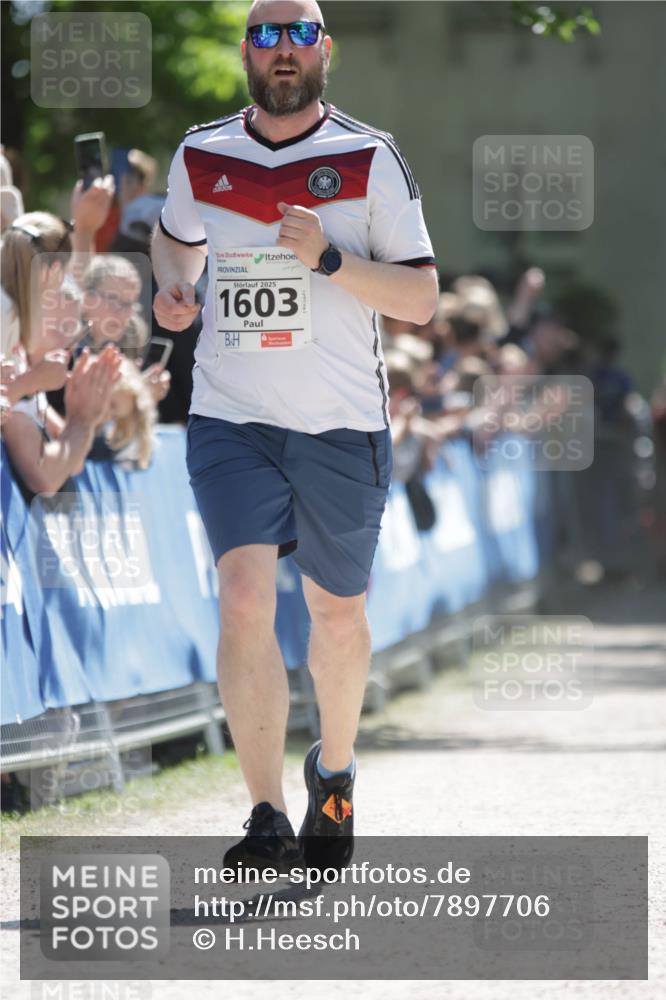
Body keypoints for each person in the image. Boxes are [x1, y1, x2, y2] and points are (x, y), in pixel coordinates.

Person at [152, 0, 438, 876]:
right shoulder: (203, 152)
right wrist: (175, 289)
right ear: (247, 51)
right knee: (243, 597)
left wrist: (330, 261)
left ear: (324, 49)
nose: (285, 50)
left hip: (340, 424)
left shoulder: (369, 156)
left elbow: (421, 299)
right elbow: (174, 242)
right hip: (231, 416)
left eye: (301, 34)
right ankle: (266, 813)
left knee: (335, 613)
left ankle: (335, 774)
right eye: (268, 35)